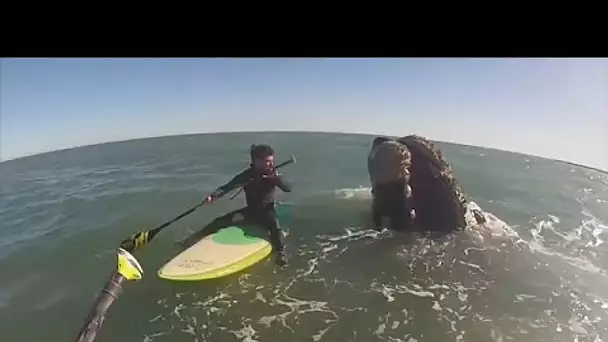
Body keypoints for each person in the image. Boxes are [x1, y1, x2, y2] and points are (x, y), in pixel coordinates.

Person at [180, 144, 292, 266]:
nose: (271, 164)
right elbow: (227, 187)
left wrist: (276, 179)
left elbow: (288, 188)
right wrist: (213, 196)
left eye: (272, 161)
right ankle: (192, 240)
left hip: (267, 211)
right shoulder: (246, 175)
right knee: (219, 221)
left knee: (275, 226)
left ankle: (281, 253)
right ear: (256, 161)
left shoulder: (274, 174)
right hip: (250, 212)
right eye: (267, 161)